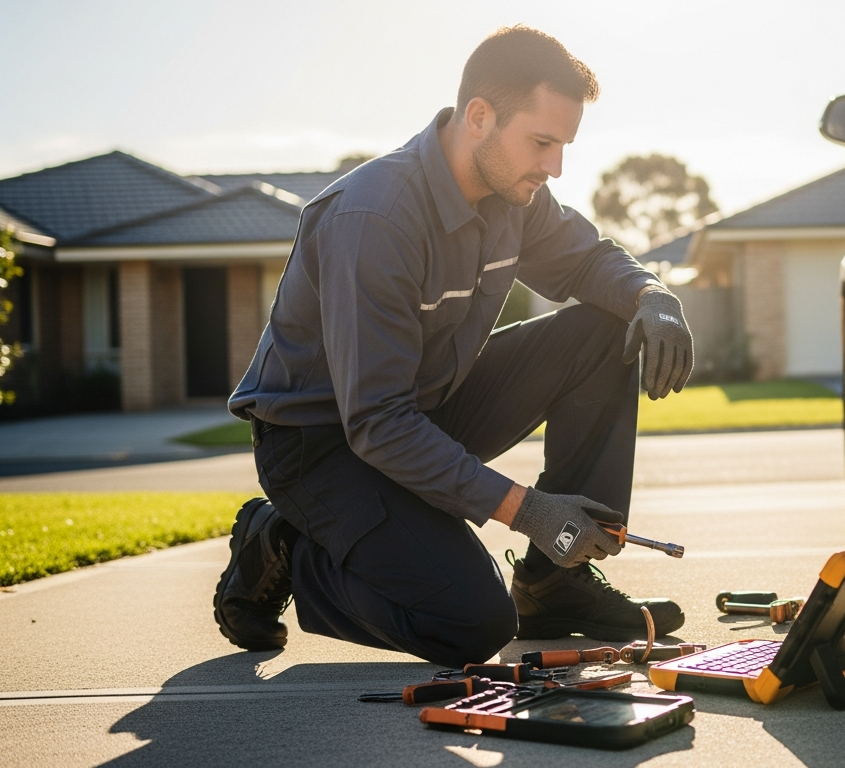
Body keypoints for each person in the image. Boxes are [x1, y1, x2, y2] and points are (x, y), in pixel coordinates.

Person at [213, 25, 694, 668]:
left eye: (562, 146)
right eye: (542, 142)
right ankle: (283, 545)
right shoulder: (375, 219)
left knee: (611, 328)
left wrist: (652, 297)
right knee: (470, 624)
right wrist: (528, 510)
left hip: (428, 404)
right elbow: (377, 423)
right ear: (479, 116)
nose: (554, 166)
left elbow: (588, 261)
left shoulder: (512, 194)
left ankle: (555, 583)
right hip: (323, 445)